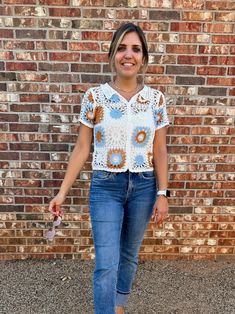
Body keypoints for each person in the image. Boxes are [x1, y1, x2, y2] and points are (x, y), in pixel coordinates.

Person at [49, 22, 170, 314]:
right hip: (106, 187)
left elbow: (160, 149)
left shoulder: (155, 100)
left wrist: (163, 193)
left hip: (143, 186)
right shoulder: (95, 97)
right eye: (122, 48)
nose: (128, 55)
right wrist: (62, 193)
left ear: (144, 58)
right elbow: (81, 147)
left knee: (128, 256)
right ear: (112, 55)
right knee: (106, 262)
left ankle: (118, 306)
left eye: (136, 49)